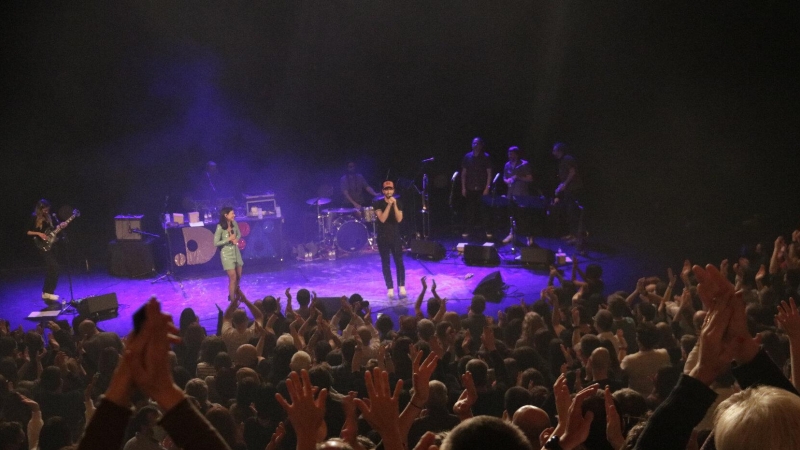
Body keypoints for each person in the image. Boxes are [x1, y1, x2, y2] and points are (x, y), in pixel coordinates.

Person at [374, 180, 405, 299]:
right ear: (383, 191)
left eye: (390, 189)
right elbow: (382, 219)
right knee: (386, 263)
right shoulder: (378, 204)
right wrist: (389, 205)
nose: (388, 191)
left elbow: (398, 219)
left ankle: (401, 286)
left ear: (393, 190)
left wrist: (395, 205)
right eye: (386, 189)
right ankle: (390, 288)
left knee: (399, 262)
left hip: (395, 237)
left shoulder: (399, 203)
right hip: (383, 237)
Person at [27, 199, 62, 304]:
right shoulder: (34, 217)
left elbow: (51, 231)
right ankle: (47, 291)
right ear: (40, 209)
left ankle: (48, 292)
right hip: (41, 246)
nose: (47, 211)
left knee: (53, 268)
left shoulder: (49, 217)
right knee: (54, 267)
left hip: (50, 245)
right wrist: (38, 233)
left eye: (48, 210)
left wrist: (59, 228)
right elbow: (27, 231)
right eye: (45, 210)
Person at [501, 146, 535, 247]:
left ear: (516, 154)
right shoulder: (507, 165)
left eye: (511, 153)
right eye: (508, 153)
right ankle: (512, 234)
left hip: (522, 195)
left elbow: (530, 179)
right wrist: (506, 181)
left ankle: (529, 237)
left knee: (524, 217)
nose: (509, 155)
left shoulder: (524, 164)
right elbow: (504, 177)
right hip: (510, 194)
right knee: (512, 216)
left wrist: (518, 177)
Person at [461, 137, 493, 239]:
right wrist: (463, 187)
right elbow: (464, 173)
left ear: (481, 145)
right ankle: (468, 230)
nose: (475, 145)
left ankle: (487, 230)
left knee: (484, 211)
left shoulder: (486, 157)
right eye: (473, 143)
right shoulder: (467, 156)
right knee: (470, 211)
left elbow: (489, 173)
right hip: (470, 187)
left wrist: (487, 187)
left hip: (482, 188)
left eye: (477, 143)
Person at [551, 142, 583, 243]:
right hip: (568, 190)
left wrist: (565, 184)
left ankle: (576, 237)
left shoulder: (568, 158)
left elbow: (572, 172)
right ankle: (572, 234)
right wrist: (560, 186)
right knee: (569, 212)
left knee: (573, 212)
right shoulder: (562, 161)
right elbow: (564, 176)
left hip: (574, 189)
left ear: (559, 150)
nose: (553, 153)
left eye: (554, 150)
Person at [213, 207, 243, 301]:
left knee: (238, 276)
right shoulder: (220, 227)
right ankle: (233, 302)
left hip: (236, 252)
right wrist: (228, 239)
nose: (234, 215)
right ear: (226, 215)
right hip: (226, 254)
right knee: (233, 278)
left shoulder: (234, 223)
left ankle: (233, 294)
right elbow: (216, 243)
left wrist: (236, 239)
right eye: (232, 213)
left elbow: (239, 234)